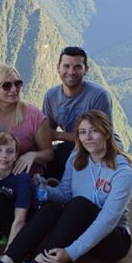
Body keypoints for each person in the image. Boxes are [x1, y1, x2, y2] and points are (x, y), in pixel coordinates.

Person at [0, 110, 132, 263]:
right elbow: (65, 195)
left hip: (112, 240)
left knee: (79, 204)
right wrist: (42, 187)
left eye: (94, 131)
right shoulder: (77, 158)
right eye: (82, 132)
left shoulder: (122, 173)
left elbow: (108, 221)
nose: (88, 137)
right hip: (78, 227)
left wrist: (70, 253)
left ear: (106, 133)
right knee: (52, 208)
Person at [42, 46, 117, 180]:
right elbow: (47, 132)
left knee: (69, 153)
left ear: (86, 70)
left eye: (77, 67)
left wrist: (59, 135)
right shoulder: (51, 96)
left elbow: (99, 136)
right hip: (75, 146)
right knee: (47, 158)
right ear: (58, 68)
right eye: (66, 66)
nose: (71, 72)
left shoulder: (98, 96)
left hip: (101, 148)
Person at [0, 64, 53, 177]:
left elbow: (48, 153)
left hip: (24, 173)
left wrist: (32, 155)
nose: (14, 89)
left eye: (17, 84)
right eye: (7, 86)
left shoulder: (34, 116)